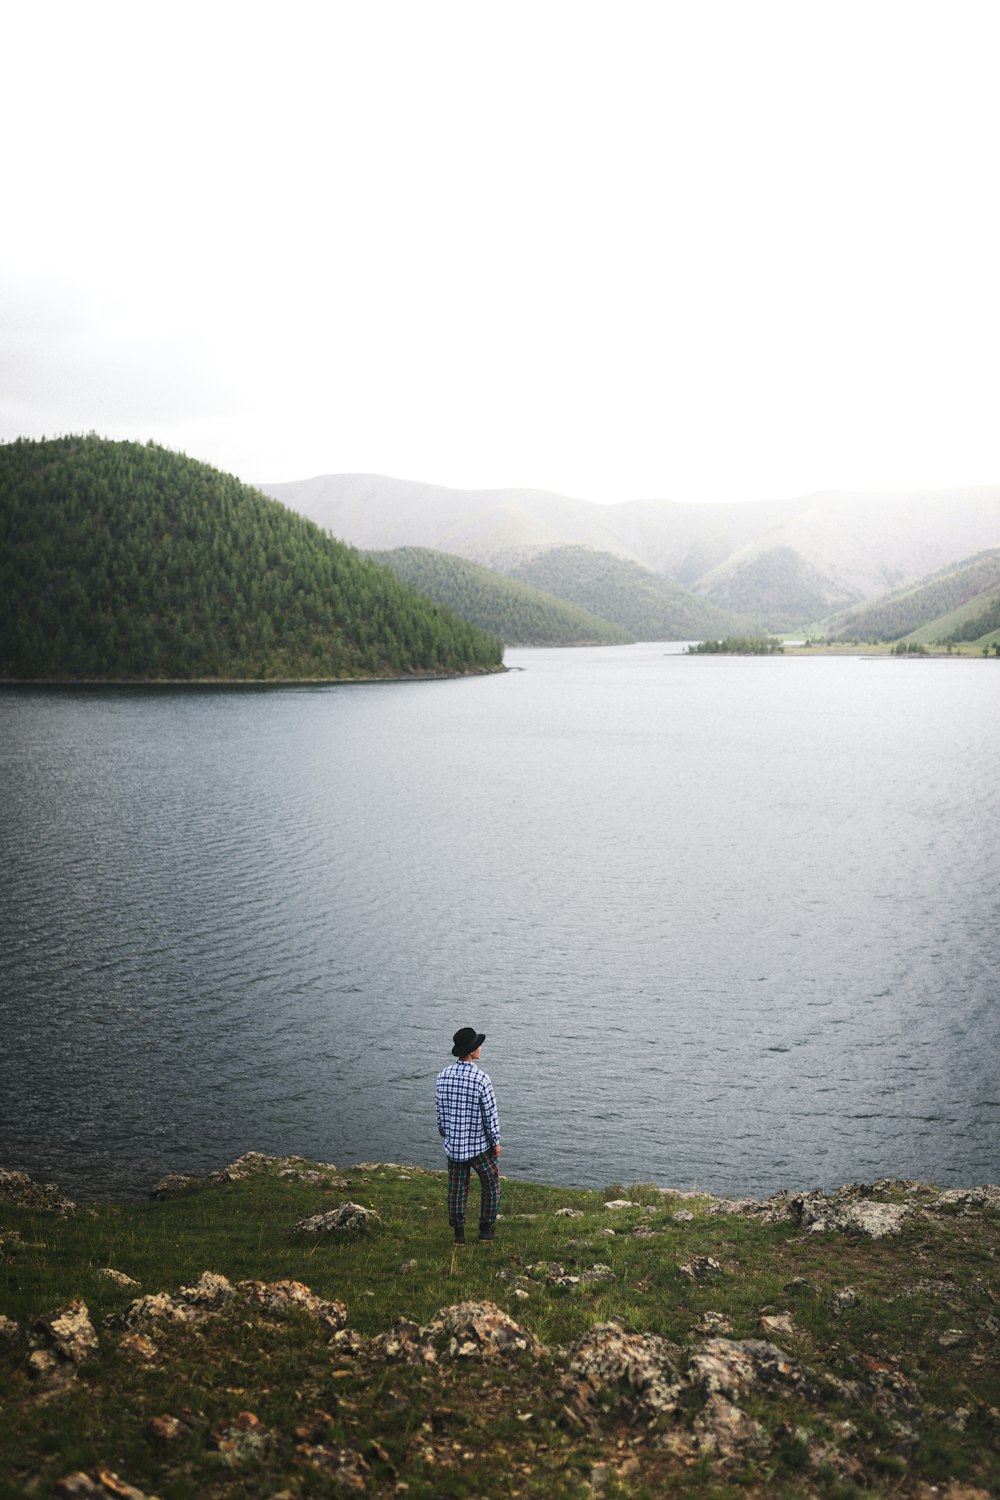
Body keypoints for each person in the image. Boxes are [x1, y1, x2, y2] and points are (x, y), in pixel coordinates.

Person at [435, 1026, 502, 1244]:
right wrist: (496, 1142)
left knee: (456, 1189)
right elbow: (489, 1115)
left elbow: (440, 1112)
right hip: (479, 1146)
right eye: (477, 1045)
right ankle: (485, 1229)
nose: (480, 1048)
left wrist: (446, 1134)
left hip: (454, 1144)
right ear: (471, 1051)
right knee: (490, 1183)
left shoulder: (442, 1076)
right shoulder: (482, 1079)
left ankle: (459, 1235)